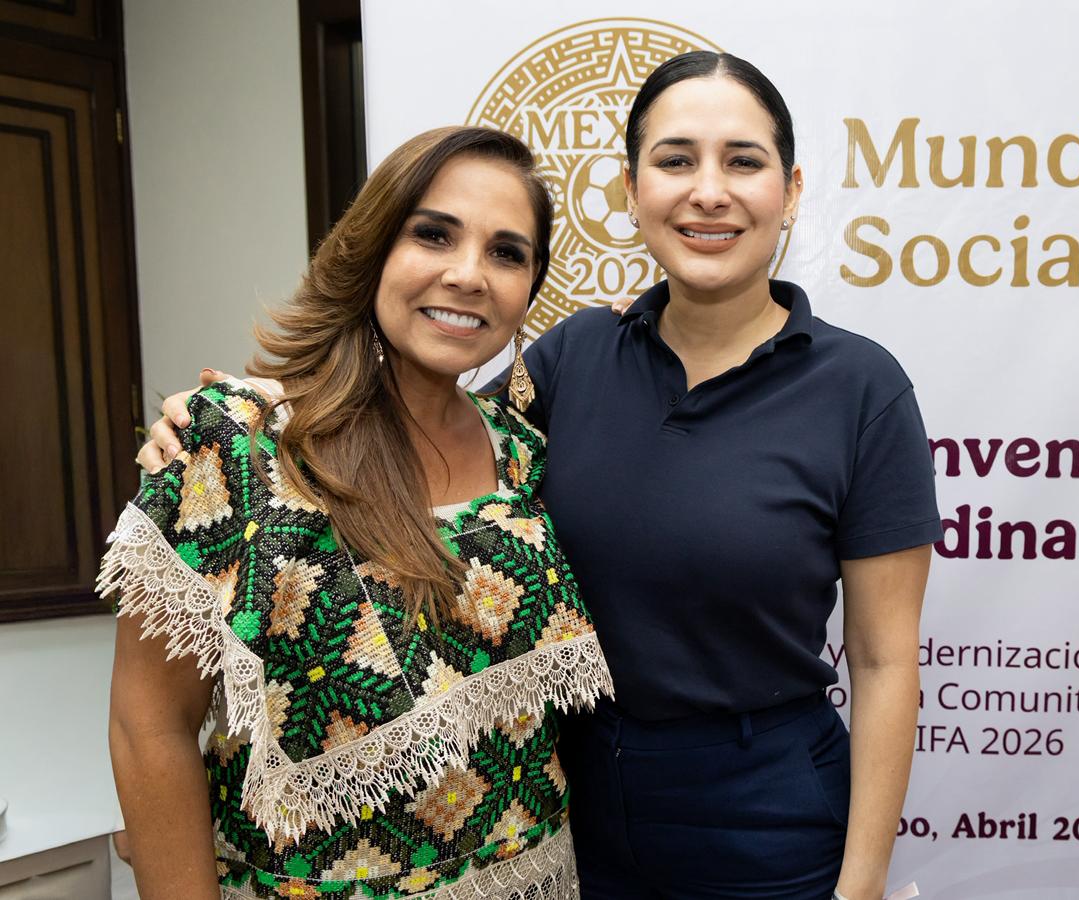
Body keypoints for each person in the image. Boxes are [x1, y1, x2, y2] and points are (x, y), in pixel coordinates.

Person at [142, 52, 939, 900]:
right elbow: (418, 415)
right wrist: (250, 409)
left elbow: (885, 662)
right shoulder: (574, 358)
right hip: (567, 795)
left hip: (763, 807)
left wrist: (862, 884)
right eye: (675, 160)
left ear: (792, 189)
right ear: (633, 193)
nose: (709, 190)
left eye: (743, 160)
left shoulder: (861, 389)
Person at [103, 126, 612, 900]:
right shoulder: (236, 448)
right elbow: (150, 730)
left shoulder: (523, 452)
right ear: (372, 248)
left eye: (508, 253)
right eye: (433, 234)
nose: (469, 274)